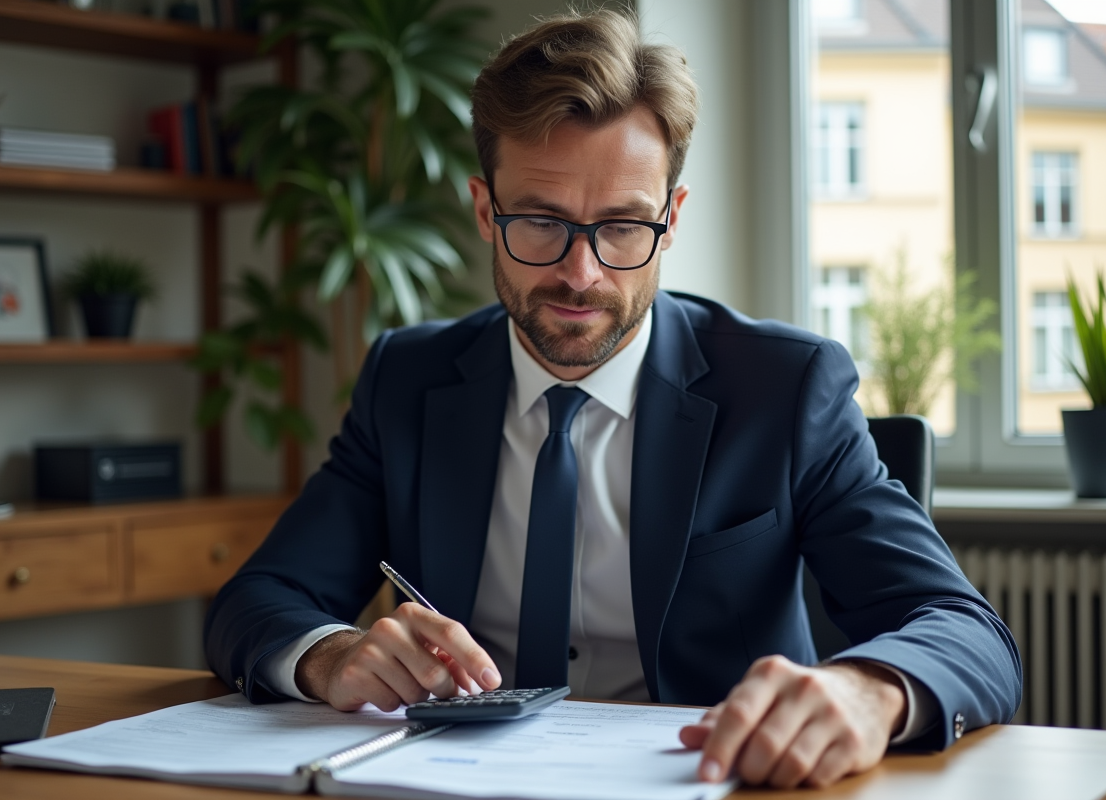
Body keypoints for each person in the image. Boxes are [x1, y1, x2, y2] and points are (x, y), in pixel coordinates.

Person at [205, 9, 1021, 790]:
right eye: (542, 220)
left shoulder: (787, 388)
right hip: (454, 783)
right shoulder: (406, 380)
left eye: (624, 227)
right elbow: (257, 601)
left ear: (671, 219)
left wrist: (870, 690)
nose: (581, 274)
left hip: (705, 780)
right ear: (486, 210)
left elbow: (966, 631)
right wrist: (328, 654)